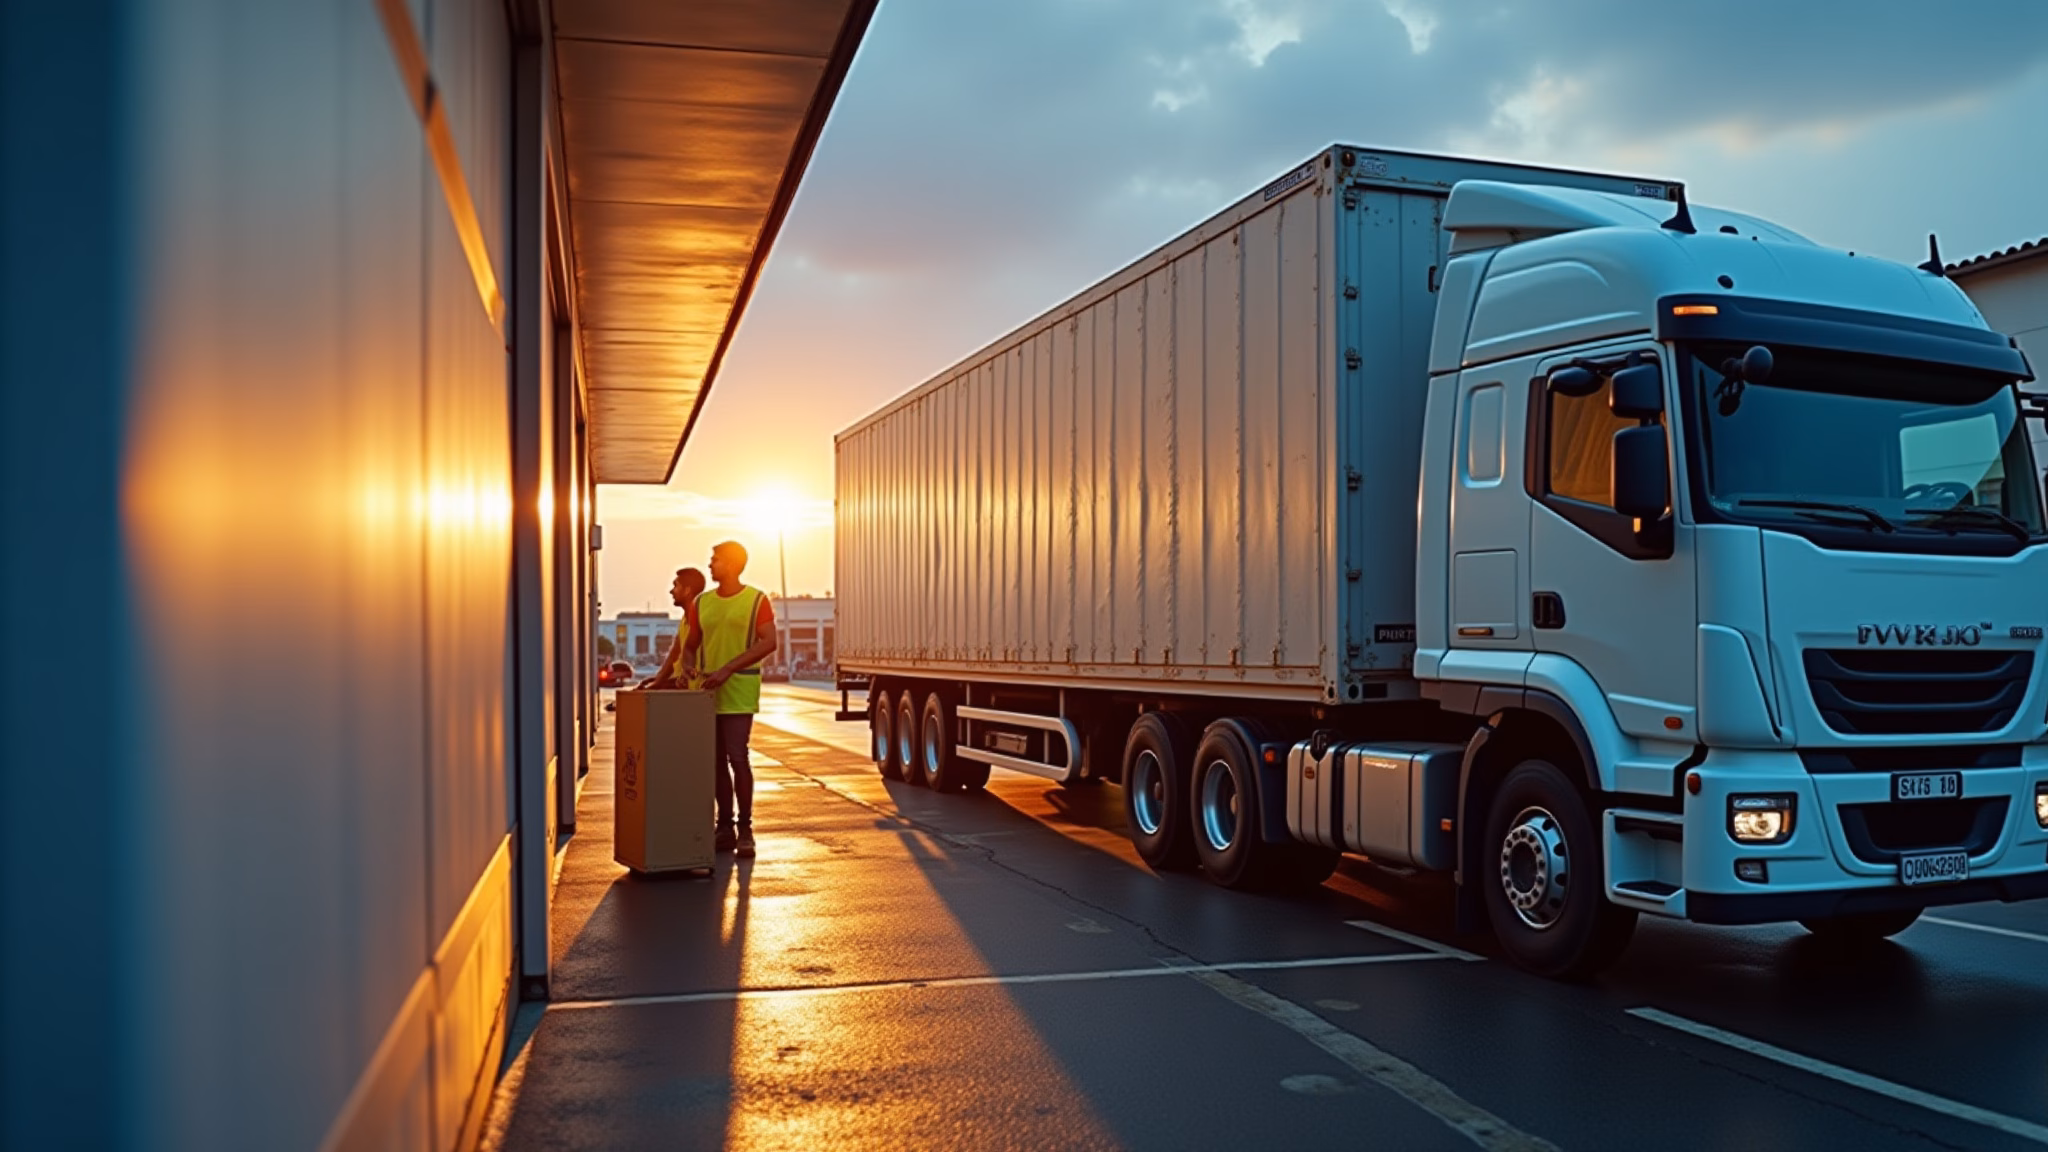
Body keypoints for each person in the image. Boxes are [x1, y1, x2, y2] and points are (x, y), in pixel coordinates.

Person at [683, 540, 777, 857]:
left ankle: (745, 829)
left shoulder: (756, 600)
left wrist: (728, 669)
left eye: (716, 560)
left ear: (733, 565)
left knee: (738, 758)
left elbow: (769, 642)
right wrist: (688, 667)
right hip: (706, 693)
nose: (710, 565)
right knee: (715, 762)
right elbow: (690, 646)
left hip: (738, 691)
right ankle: (724, 827)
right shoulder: (702, 603)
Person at [640, 567, 706, 691]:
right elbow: (674, 655)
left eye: (676, 586)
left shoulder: (702, 619)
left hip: (691, 686)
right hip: (677, 681)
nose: (671, 591)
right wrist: (658, 680)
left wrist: (659, 683)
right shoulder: (685, 619)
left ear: (687, 591)